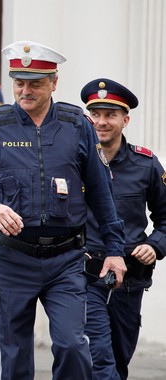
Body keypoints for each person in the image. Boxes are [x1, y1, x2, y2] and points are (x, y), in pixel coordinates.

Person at [0, 41, 127, 380]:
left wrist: (115, 250)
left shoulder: (77, 124)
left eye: (34, 82)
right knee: (15, 354)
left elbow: (102, 194)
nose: (25, 90)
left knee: (72, 346)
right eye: (19, 82)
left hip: (66, 259)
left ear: (54, 83)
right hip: (11, 257)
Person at [80, 78, 166, 380]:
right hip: (85, 274)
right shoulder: (74, 161)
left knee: (118, 357)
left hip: (129, 279)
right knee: (97, 355)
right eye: (95, 114)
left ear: (125, 119)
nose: (101, 122)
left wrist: (155, 245)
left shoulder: (147, 165)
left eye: (110, 115)